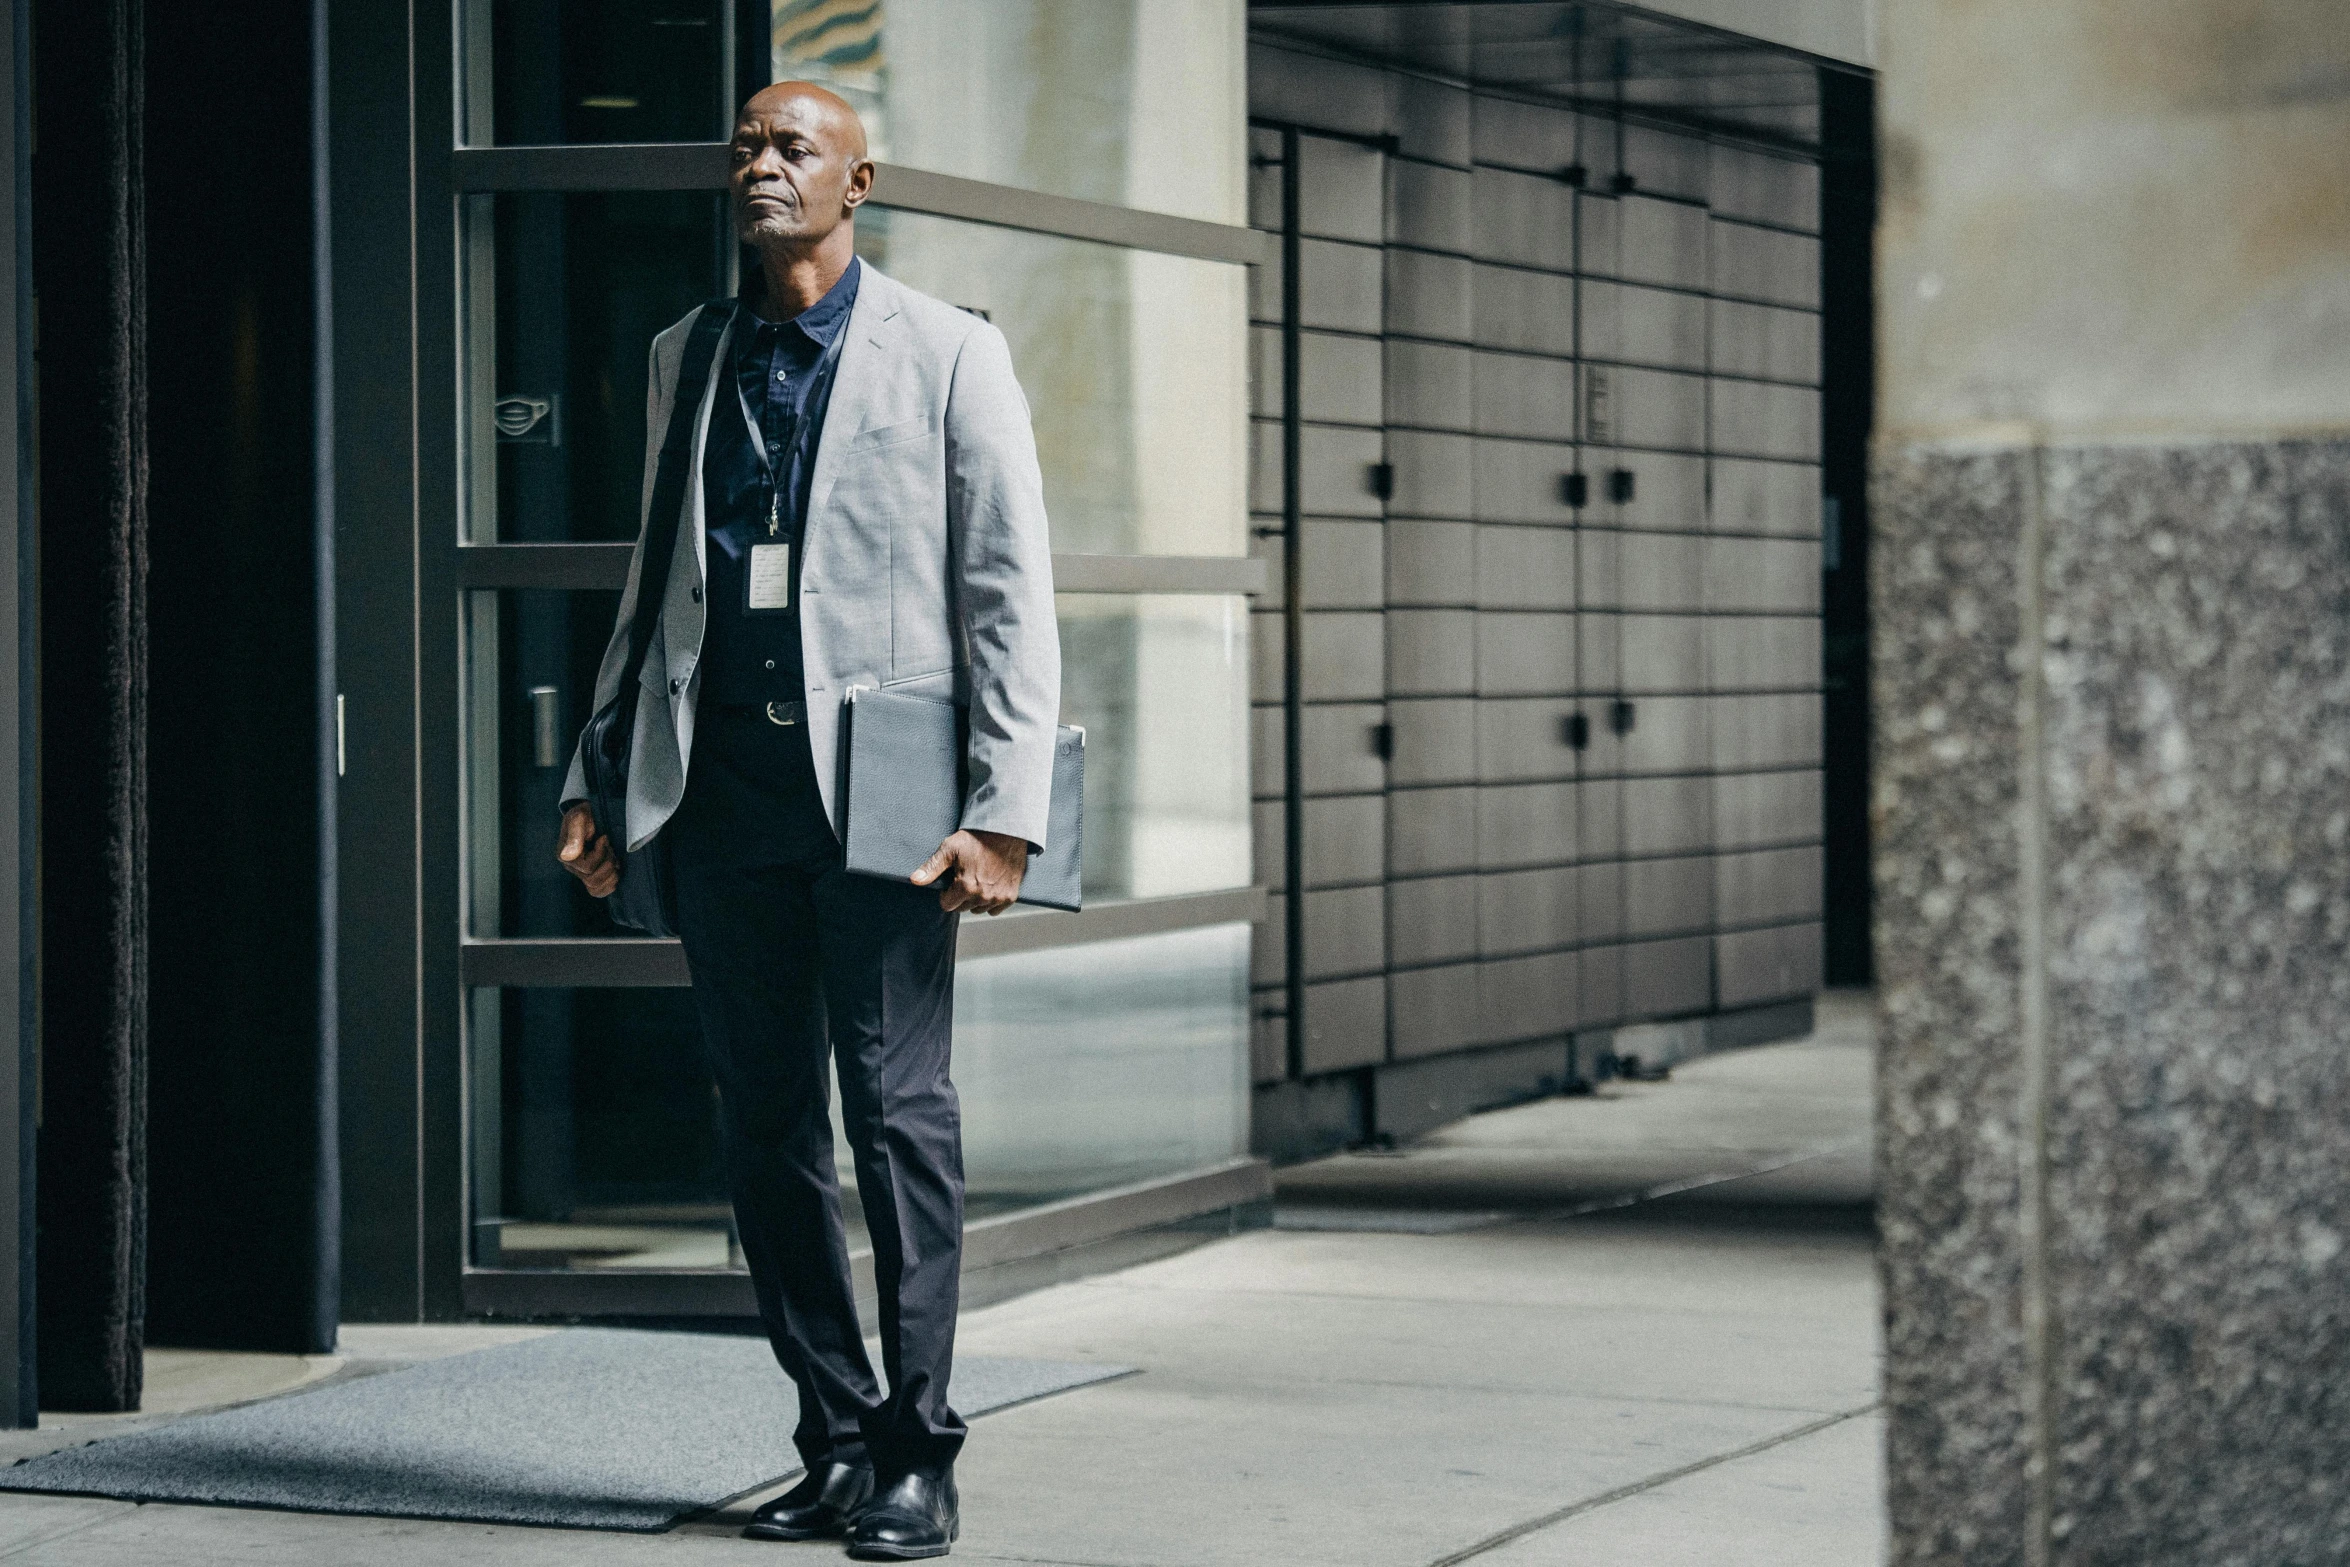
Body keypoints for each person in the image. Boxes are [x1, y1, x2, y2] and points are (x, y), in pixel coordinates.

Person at [553, 81, 1059, 1561]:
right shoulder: (687, 354)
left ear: (859, 183)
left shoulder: (952, 354)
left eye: (794, 149)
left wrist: (1004, 812)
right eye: (747, 147)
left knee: (898, 1116)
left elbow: (1006, 597)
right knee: (764, 1128)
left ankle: (920, 1445)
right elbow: (653, 588)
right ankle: (830, 1434)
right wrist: (600, 771)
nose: (762, 166)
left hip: (889, 804)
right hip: (722, 803)